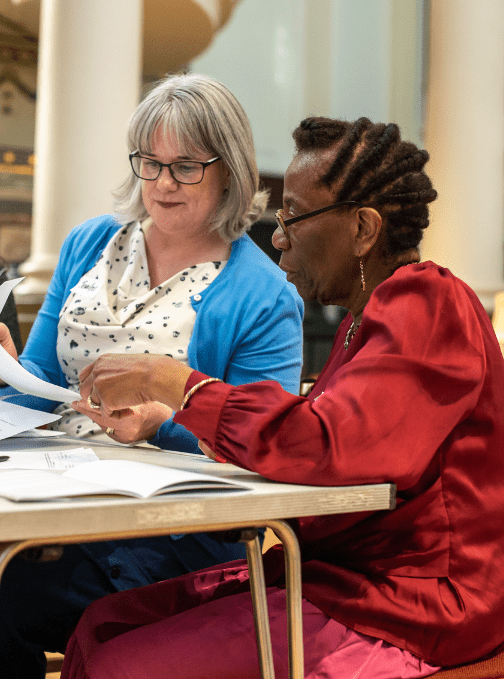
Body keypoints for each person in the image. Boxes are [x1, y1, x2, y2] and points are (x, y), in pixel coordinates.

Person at [63, 116, 504, 679]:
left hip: (410, 601)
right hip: (336, 574)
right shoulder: (361, 324)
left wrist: (176, 384)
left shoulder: (430, 301)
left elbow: (331, 443)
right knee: (102, 623)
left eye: (294, 215)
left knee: (124, 665)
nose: (278, 234)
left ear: (363, 229)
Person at [0, 73, 303, 678]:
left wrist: (161, 424)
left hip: (162, 537)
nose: (162, 183)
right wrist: (6, 366)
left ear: (230, 170)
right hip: (52, 498)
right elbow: (36, 376)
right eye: (150, 162)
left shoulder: (263, 294)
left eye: (186, 166)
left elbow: (266, 443)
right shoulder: (90, 244)